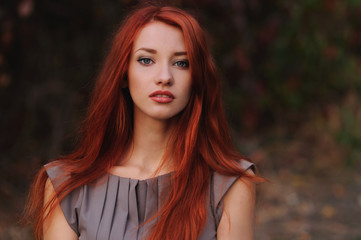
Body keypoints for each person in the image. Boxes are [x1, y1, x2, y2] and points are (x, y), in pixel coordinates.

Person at [24, 4, 260, 240]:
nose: (164, 77)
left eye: (181, 63)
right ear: (124, 73)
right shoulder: (67, 186)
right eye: (146, 60)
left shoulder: (230, 184)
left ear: (197, 79)